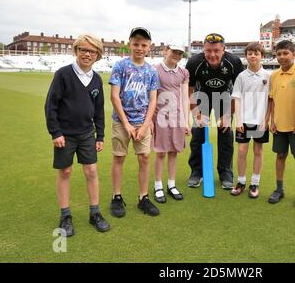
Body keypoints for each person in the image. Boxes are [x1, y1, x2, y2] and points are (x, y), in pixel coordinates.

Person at [45, 34, 110, 237]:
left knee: (91, 171)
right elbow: (50, 106)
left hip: (86, 135)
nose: (87, 54)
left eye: (91, 51)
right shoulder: (63, 74)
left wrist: (100, 136)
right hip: (65, 135)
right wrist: (55, 132)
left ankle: (95, 213)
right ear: (76, 51)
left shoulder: (97, 79)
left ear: (97, 55)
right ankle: (65, 216)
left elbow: (99, 110)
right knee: (65, 172)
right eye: (83, 49)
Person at [109, 27, 160, 217]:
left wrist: (145, 125)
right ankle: (116, 196)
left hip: (143, 123)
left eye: (144, 45)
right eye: (136, 44)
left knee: (144, 158)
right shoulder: (120, 66)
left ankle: (143, 197)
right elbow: (115, 97)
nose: (139, 48)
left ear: (149, 47)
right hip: (122, 122)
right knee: (119, 157)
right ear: (129, 44)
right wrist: (127, 124)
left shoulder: (151, 71)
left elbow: (153, 99)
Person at [186, 33, 244, 189]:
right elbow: (189, 89)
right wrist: (196, 113)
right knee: (198, 133)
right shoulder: (194, 62)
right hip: (201, 95)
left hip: (224, 96)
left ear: (223, 50)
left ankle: (225, 173)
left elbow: (238, 92)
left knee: (225, 132)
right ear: (204, 50)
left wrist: (227, 115)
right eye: (208, 51)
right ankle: (197, 172)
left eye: (216, 50)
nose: (212, 54)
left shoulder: (234, 62)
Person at [268, 40, 295, 208]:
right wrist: (272, 120)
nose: (282, 57)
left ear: (294, 55)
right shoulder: (274, 75)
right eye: (279, 54)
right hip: (279, 124)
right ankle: (279, 189)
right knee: (280, 156)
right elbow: (273, 100)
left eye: (286, 53)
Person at [230, 42, 271, 198]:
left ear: (262, 56)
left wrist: (266, 120)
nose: (253, 56)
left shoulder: (268, 76)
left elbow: (270, 100)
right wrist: (238, 121)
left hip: (260, 121)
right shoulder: (241, 76)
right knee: (241, 151)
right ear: (246, 56)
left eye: (256, 53)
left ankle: (255, 183)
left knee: (258, 151)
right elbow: (237, 99)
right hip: (244, 120)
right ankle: (241, 182)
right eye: (250, 53)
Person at [152, 44, 190, 203]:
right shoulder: (154, 70)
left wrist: (186, 120)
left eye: (180, 53)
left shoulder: (184, 72)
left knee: (174, 151)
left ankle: (171, 184)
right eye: (175, 51)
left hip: (177, 116)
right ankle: (158, 185)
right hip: (159, 116)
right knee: (160, 152)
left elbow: (184, 96)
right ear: (166, 51)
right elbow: (151, 96)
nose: (177, 55)